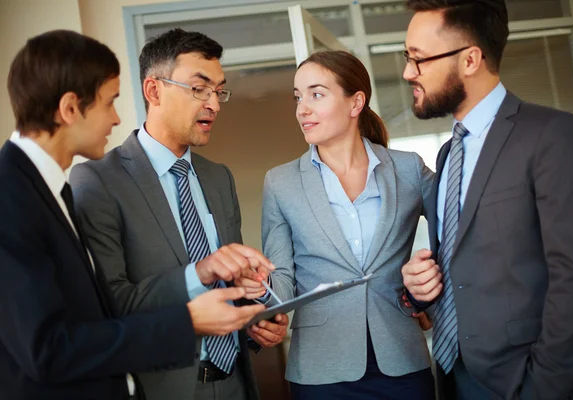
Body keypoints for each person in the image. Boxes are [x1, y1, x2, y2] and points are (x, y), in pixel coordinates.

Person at [0, 29, 266, 399]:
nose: (115, 118)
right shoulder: (25, 193)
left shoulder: (49, 189)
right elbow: (53, 345)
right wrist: (188, 320)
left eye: (218, 91)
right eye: (110, 103)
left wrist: (253, 311)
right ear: (70, 108)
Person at [70, 28, 288, 400]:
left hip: (237, 382)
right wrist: (198, 273)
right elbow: (110, 304)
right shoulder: (96, 181)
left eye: (219, 91)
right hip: (160, 389)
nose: (214, 104)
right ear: (154, 90)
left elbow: (229, 285)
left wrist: (256, 315)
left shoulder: (219, 178)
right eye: (199, 88)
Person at [399, 1, 573, 399]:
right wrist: (419, 289)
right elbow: (468, 266)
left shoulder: (553, 135)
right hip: (455, 378)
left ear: (471, 59)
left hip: (525, 382)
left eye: (419, 59)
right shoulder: (446, 155)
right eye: (407, 58)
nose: (408, 72)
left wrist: (543, 387)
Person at [253, 50, 435, 399]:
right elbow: (283, 278)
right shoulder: (280, 182)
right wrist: (262, 298)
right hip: (321, 370)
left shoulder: (408, 169)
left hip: (402, 361)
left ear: (355, 103)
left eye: (316, 94)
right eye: (298, 97)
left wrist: (425, 296)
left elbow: (459, 233)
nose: (301, 108)